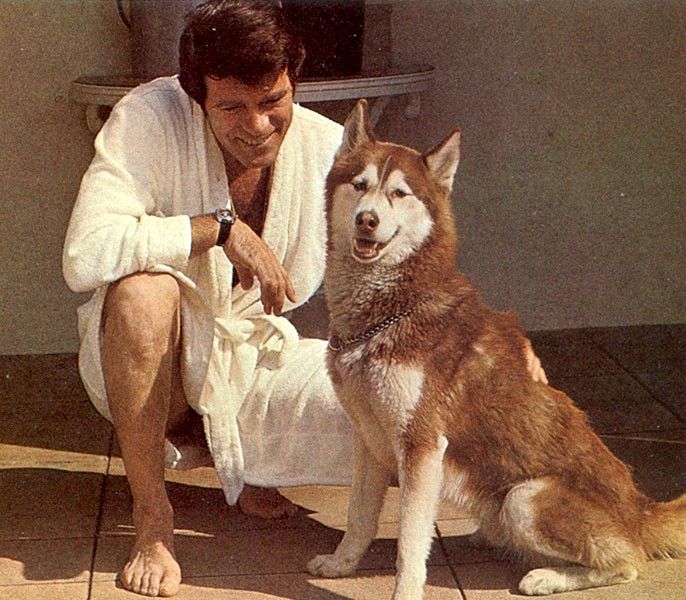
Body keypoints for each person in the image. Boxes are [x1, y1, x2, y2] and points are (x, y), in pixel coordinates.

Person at [63, 1, 547, 596]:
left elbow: (415, 242)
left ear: (292, 82)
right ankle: (153, 520)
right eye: (231, 108)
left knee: (413, 423)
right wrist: (219, 228)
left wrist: (500, 344)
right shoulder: (148, 118)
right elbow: (83, 254)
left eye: (273, 101)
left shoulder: (327, 148)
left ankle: (251, 464)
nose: (259, 126)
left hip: (251, 363)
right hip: (143, 358)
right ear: (197, 98)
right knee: (143, 291)